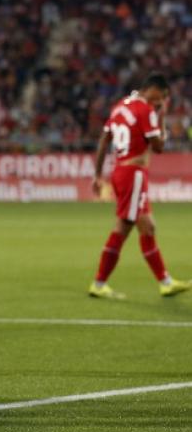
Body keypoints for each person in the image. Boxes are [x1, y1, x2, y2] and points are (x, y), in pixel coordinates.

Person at [89, 74, 190, 299]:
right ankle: (99, 283)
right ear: (153, 89)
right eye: (162, 96)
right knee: (123, 227)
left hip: (121, 171)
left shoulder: (120, 106)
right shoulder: (145, 110)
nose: (161, 101)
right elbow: (159, 147)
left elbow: (104, 140)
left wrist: (97, 175)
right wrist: (161, 116)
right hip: (133, 173)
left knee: (148, 227)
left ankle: (165, 282)